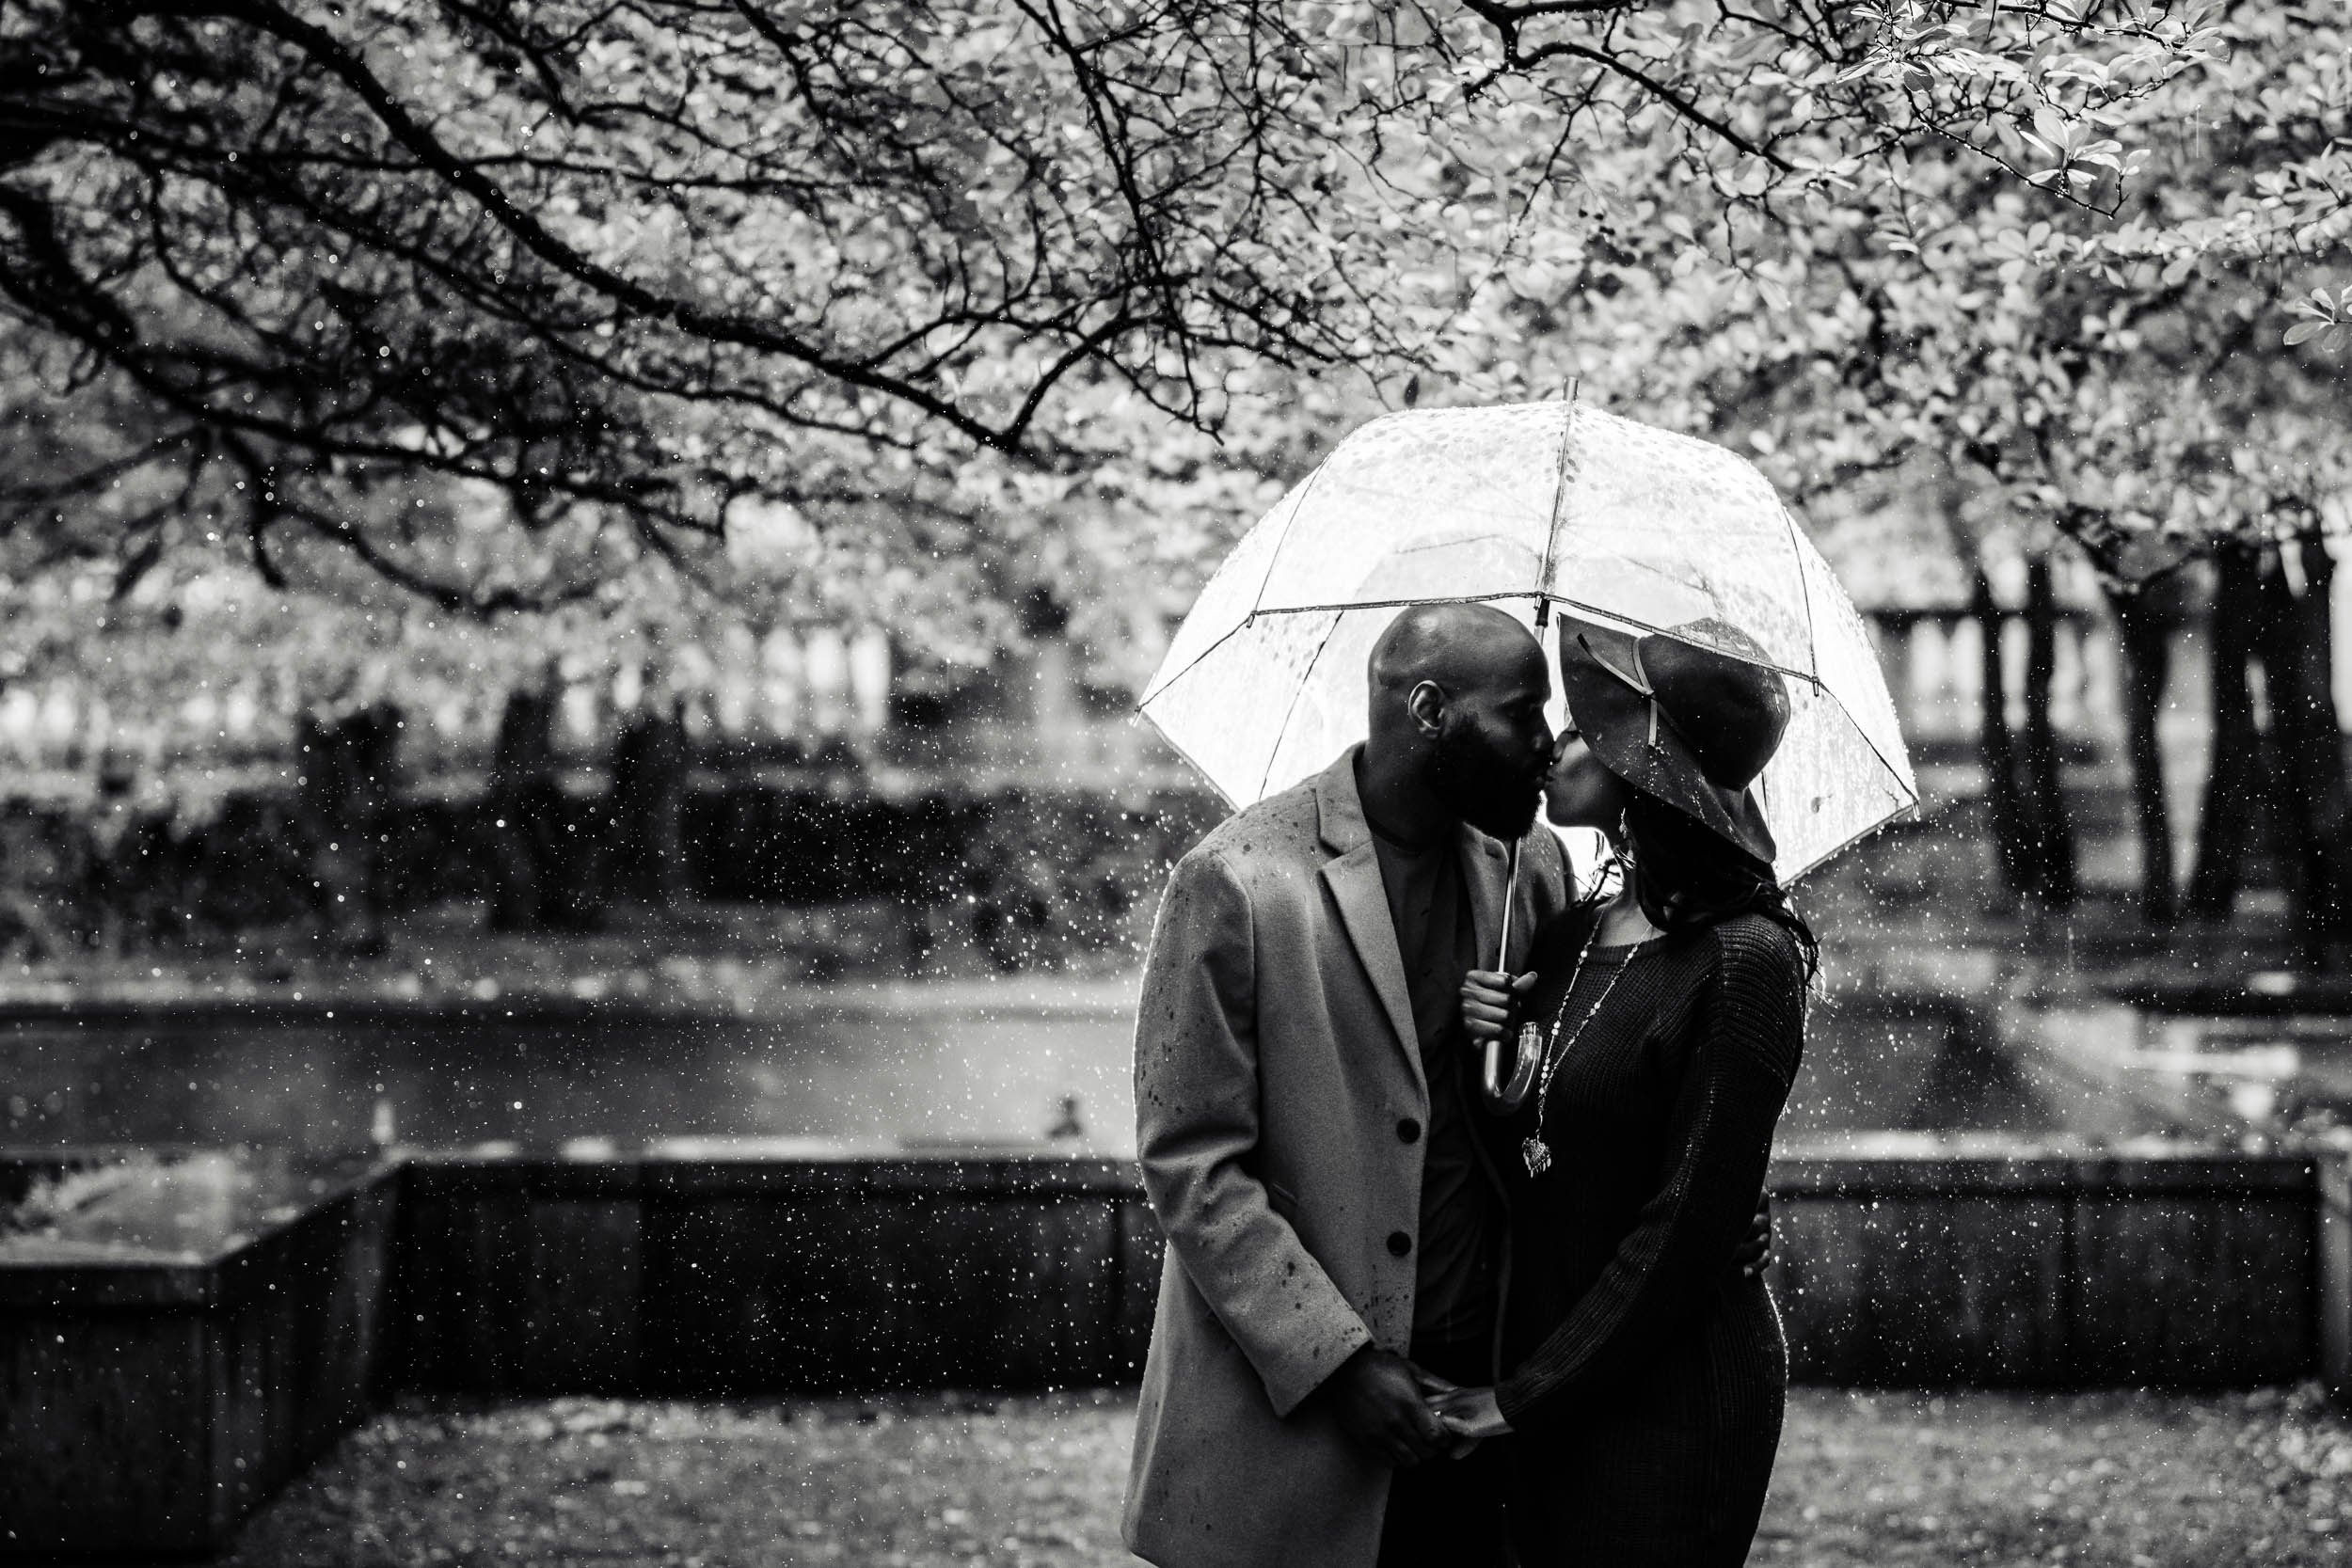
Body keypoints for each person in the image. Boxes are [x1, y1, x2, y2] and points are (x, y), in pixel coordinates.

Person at [1122, 603, 1772, 1568]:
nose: (1548, 744)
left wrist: (1712, 1192)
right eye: (1521, 713)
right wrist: (1338, 1361)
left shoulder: (1534, 867)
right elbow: (1191, 1160)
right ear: (1429, 708)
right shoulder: (1237, 880)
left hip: (1490, 1413)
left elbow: (1572, 1103)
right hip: (1294, 1418)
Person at [1435, 616, 1815, 1567]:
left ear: (1647, 761)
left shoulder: (1745, 960)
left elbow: (1683, 1228)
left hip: (1666, 1393)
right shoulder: (1566, 933)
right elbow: (1541, 1157)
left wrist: (1522, 1394)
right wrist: (1485, 1063)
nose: (1557, 741)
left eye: (1588, 724)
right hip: (1552, 1371)